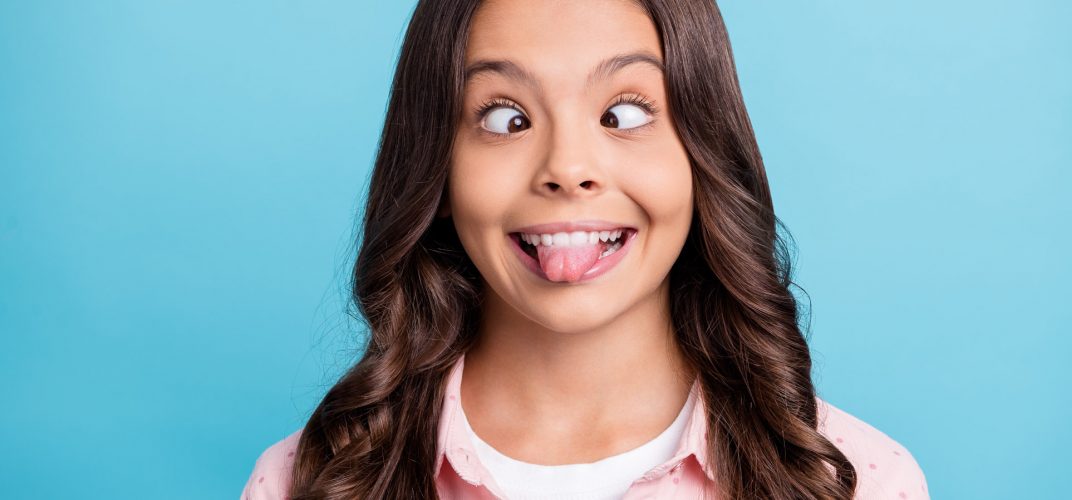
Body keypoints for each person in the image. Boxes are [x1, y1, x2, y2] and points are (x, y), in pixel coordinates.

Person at [241, 0, 929, 498]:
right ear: (438, 172)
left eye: (622, 114)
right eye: (505, 118)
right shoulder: (307, 482)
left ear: (701, 153)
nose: (567, 168)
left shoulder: (856, 479)